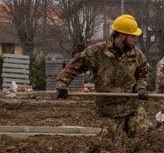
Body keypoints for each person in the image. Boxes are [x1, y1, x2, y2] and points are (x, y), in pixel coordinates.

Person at [55, 14, 151, 142]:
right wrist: (62, 84)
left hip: (131, 106)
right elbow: (74, 66)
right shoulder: (97, 52)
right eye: (133, 36)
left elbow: (143, 74)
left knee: (145, 138)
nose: (136, 39)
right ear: (122, 35)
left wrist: (141, 87)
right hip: (109, 109)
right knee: (112, 146)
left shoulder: (136, 55)